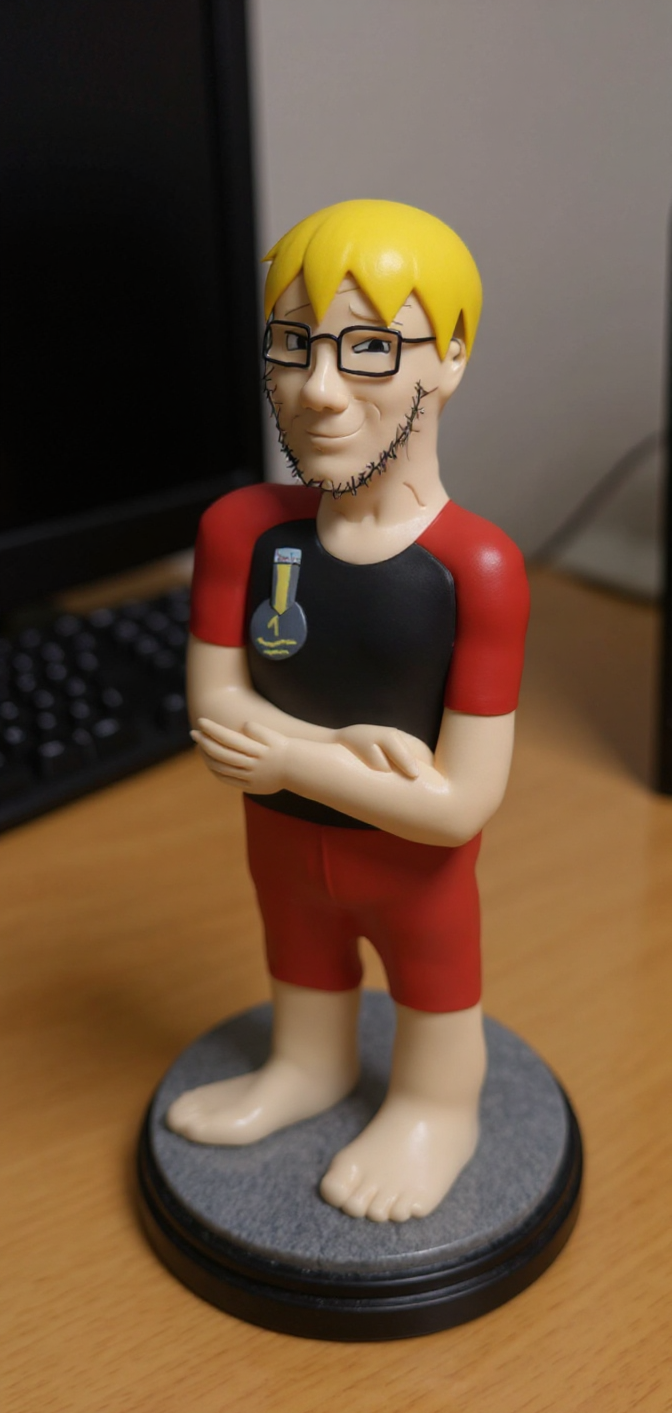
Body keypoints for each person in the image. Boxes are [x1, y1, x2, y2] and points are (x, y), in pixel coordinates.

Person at [167, 199, 529, 1224]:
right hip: (281, 843)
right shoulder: (241, 530)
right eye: (293, 345)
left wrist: (293, 760)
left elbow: (459, 807)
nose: (318, 390)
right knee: (300, 957)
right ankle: (307, 1064)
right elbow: (218, 720)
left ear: (448, 359)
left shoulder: (478, 568)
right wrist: (340, 751)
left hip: (415, 874)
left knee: (434, 980)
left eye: (369, 348)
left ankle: (436, 1107)